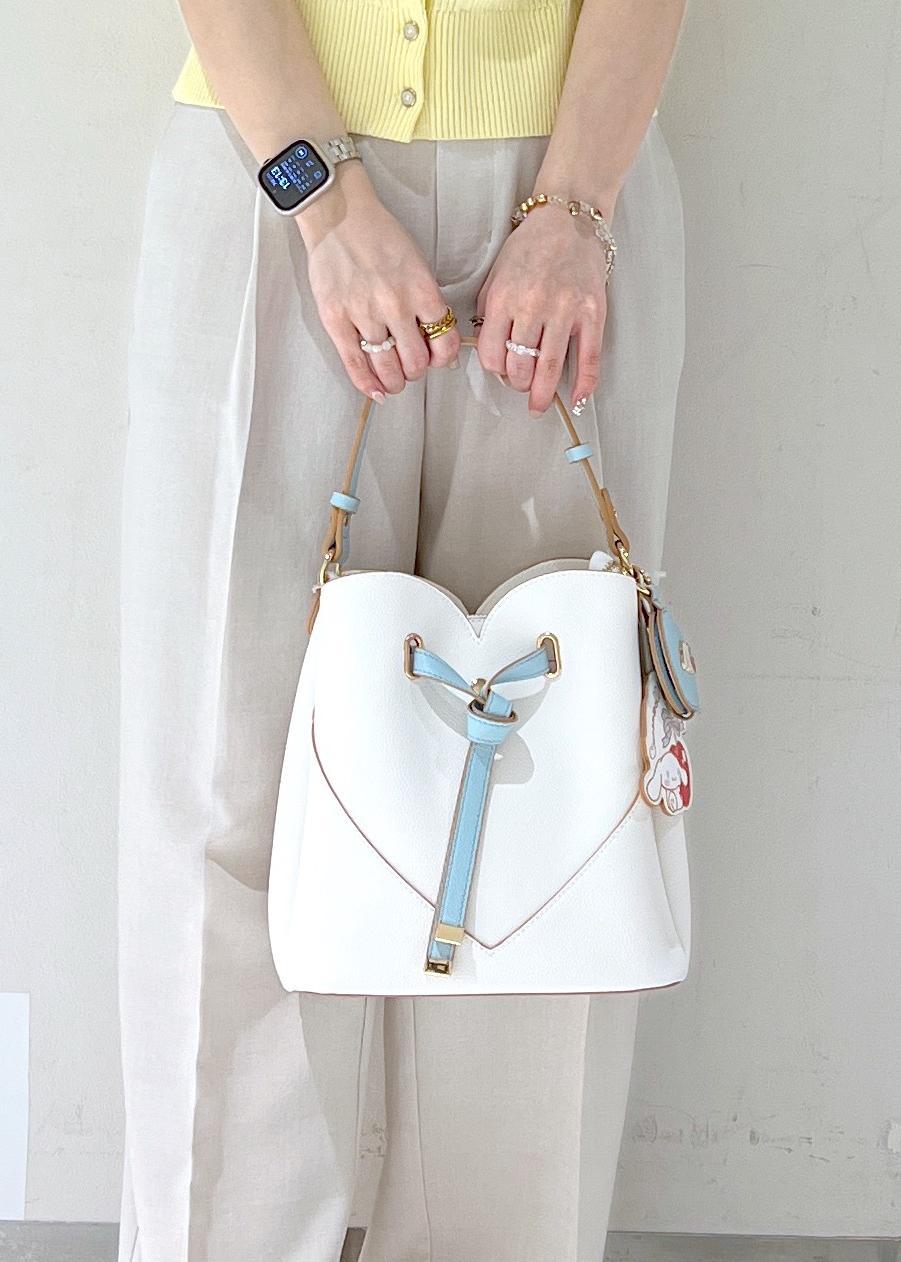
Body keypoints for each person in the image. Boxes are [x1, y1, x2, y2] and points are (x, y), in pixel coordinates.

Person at [116, 1, 688, 1259]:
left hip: (567, 206)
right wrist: (323, 205)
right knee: (232, 785)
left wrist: (575, 206)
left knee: (550, 814)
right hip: (270, 182)